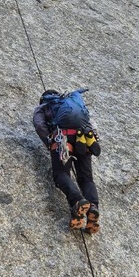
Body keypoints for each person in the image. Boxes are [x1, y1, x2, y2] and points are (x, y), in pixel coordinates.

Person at [33, 89, 101, 232]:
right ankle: (93, 208)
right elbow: (89, 120)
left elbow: (39, 125)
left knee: (61, 175)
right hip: (84, 139)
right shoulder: (73, 102)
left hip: (62, 139)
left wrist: (49, 142)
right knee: (86, 178)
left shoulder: (44, 107)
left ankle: (77, 201)